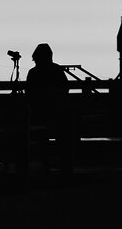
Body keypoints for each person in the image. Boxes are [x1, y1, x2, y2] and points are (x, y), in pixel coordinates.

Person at [25, 43, 71, 174]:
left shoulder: (33, 73)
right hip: (57, 113)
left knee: (41, 139)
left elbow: (29, 93)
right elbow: (65, 89)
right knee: (61, 139)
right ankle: (64, 165)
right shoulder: (57, 70)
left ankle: (45, 163)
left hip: (39, 113)